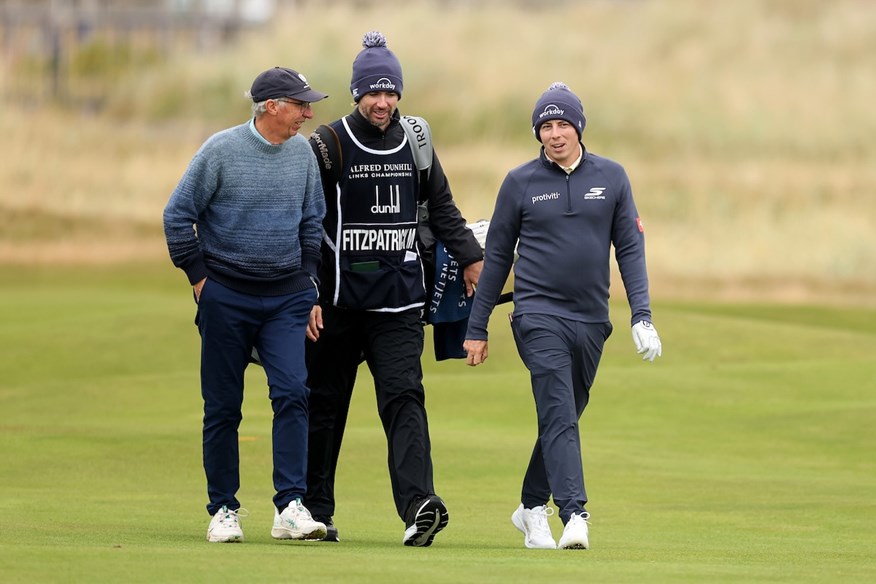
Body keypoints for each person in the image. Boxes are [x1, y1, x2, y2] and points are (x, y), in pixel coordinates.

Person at [463, 82, 662, 551]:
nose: (554, 134)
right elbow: (495, 259)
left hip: (592, 319)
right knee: (558, 412)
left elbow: (630, 247)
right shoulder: (520, 182)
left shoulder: (612, 178)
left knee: (564, 417)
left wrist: (642, 315)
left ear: (578, 127)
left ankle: (531, 506)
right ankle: (574, 514)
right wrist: (477, 327)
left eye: (562, 124)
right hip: (537, 314)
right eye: (545, 126)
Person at [303, 31, 484, 546]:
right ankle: (315, 510)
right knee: (325, 403)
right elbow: (305, 221)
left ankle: (418, 506)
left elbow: (442, 207)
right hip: (336, 303)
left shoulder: (416, 139)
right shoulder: (327, 143)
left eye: (391, 93)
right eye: (372, 93)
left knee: (404, 398)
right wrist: (309, 292)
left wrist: (472, 259)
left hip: (399, 301)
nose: (382, 103)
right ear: (355, 93)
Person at [163, 66, 330, 543]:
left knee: (293, 392)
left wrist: (308, 284)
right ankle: (223, 509)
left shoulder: (301, 155)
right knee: (222, 405)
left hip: (285, 298)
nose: (309, 113)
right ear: (272, 106)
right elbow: (177, 215)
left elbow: (311, 222)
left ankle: (290, 506)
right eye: (301, 105)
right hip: (225, 296)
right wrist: (199, 278)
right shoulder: (221, 150)